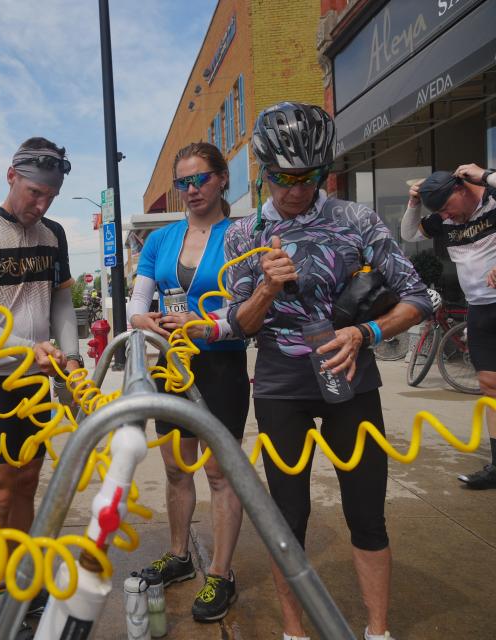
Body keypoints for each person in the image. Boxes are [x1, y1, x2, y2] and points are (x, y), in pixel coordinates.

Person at [224, 102, 430, 640]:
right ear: (262, 171)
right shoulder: (243, 234)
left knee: (368, 514)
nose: (295, 190)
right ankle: (294, 633)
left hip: (351, 377)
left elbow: (418, 296)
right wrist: (267, 287)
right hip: (280, 386)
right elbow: (241, 325)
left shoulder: (355, 220)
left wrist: (366, 333)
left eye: (309, 177)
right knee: (286, 522)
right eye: (282, 178)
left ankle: (377, 631)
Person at [0, 137, 80, 616]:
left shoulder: (55, 234)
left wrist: (69, 358)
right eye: (33, 192)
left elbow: (61, 300)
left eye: (50, 196)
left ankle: (22, 575)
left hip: (37, 376)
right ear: (11, 177)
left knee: (27, 481)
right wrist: (35, 352)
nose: (40, 204)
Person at [128, 141, 249, 622]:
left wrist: (205, 323)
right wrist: (147, 323)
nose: (192, 189)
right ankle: (179, 557)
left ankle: (220, 573)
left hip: (221, 364)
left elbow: (248, 306)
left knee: (220, 474)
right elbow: (136, 308)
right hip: (172, 366)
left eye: (201, 178)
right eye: (183, 182)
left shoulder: (241, 234)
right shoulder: (159, 241)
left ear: (222, 179)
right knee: (178, 469)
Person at [401, 165, 496, 489]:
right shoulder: (444, 217)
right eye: (439, 212)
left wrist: (484, 175)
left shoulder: (492, 198)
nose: (445, 216)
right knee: (489, 383)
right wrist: (415, 203)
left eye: (446, 207)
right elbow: (409, 234)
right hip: (480, 307)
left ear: (461, 188)